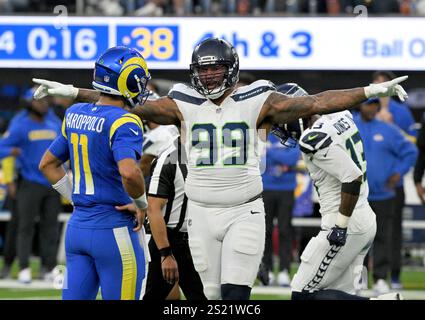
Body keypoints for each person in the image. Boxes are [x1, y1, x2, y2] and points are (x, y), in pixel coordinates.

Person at [33, 38, 408, 300]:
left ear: (232, 70)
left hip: (244, 208)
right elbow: (124, 103)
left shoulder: (258, 97)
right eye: (204, 71)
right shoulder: (182, 101)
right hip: (201, 212)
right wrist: (72, 91)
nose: (210, 77)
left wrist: (371, 91)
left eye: (217, 71)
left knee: (234, 295)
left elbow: (317, 101)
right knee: (211, 298)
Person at [38, 46, 150, 300]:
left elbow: (47, 164)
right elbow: (129, 173)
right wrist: (141, 203)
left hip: (78, 228)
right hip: (114, 229)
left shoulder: (74, 113)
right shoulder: (125, 121)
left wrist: (76, 199)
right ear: (129, 80)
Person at [271, 83, 401, 300]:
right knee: (339, 294)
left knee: (302, 294)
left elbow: (352, 177)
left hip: (345, 221)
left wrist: (340, 227)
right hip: (363, 215)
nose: (280, 125)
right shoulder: (340, 116)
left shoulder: (312, 138)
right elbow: (331, 99)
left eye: (282, 117)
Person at [117, 137, 207, 300]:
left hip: (198, 242)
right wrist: (165, 253)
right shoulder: (170, 158)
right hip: (169, 240)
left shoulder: (213, 156)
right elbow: (154, 207)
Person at [353, 98, 417, 294]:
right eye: (367, 104)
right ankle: (359, 280)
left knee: (382, 238)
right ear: (360, 105)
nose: (371, 108)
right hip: (357, 195)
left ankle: (381, 278)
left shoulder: (388, 129)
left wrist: (398, 172)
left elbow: (410, 151)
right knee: (357, 240)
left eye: (374, 105)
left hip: (383, 195)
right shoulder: (350, 126)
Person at [0, 87, 62, 283]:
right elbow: (2, 147)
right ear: (29, 103)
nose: (43, 104)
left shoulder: (54, 122)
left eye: (45, 100)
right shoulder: (20, 125)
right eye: (38, 101)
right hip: (29, 182)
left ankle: (49, 266)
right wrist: (14, 152)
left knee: (50, 227)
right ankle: (24, 267)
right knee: (25, 227)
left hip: (53, 183)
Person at [371, 71, 418, 290]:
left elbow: (413, 144)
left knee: (392, 232)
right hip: (368, 187)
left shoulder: (401, 112)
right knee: (363, 232)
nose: (381, 86)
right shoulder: (365, 110)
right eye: (378, 82)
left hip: (393, 186)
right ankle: (362, 275)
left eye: (384, 82)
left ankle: (394, 275)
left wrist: (392, 127)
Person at [261, 132, 300, 286]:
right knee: (266, 231)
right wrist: (281, 157)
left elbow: (291, 159)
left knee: (285, 230)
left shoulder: (291, 137)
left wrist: (270, 151)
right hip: (267, 188)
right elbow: (260, 160)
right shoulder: (262, 135)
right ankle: (268, 270)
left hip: (286, 188)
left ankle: (284, 270)